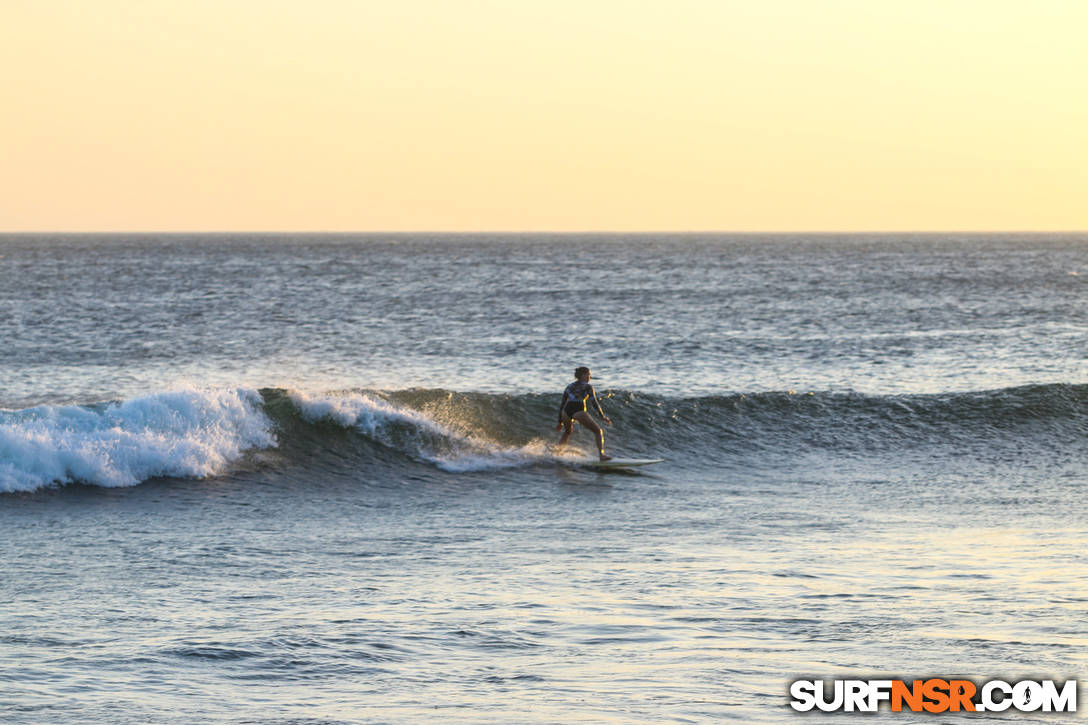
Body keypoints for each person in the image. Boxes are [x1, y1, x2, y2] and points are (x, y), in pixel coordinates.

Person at [555, 366, 613, 461]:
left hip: (566, 411)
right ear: (583, 375)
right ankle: (602, 455)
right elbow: (594, 403)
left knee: (567, 432)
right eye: (588, 374)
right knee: (598, 431)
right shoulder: (588, 387)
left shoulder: (569, 386)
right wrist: (602, 416)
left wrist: (560, 422)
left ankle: (557, 453)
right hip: (578, 410)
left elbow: (562, 404)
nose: (590, 376)